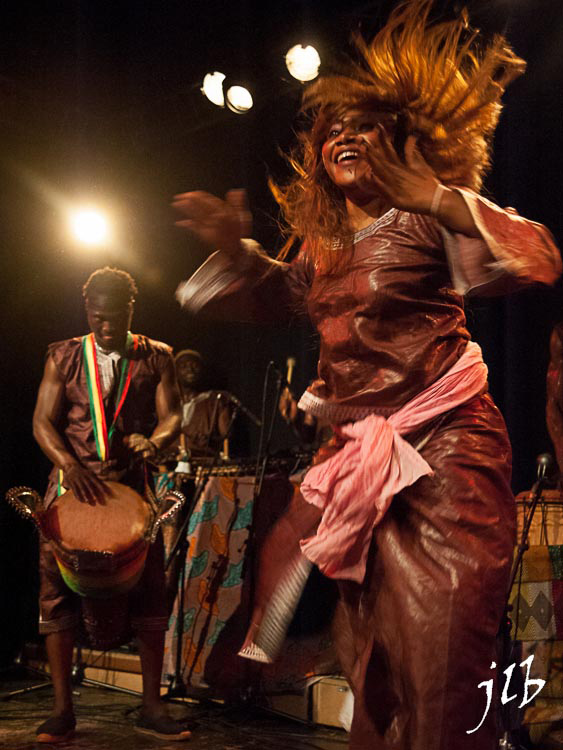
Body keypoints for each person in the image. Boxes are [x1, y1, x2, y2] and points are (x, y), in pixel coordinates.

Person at [172, 2, 561, 748]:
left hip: (444, 457)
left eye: (365, 125)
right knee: (373, 669)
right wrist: (236, 252)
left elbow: (534, 257)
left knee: (443, 660)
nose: (344, 136)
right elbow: (275, 293)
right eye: (331, 130)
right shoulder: (320, 248)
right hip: (361, 471)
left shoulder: (430, 218)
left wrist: (439, 199)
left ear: (404, 141)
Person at [32, 267, 191, 743]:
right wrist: (67, 463)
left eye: (115, 317)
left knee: (150, 592)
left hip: (132, 489)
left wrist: (156, 441)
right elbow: (42, 421)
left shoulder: (157, 356)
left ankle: (152, 706)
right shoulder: (62, 356)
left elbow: (173, 415)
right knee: (56, 592)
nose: (105, 326)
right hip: (72, 488)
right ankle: (62, 711)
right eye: (97, 317)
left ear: (130, 311)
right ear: (87, 310)